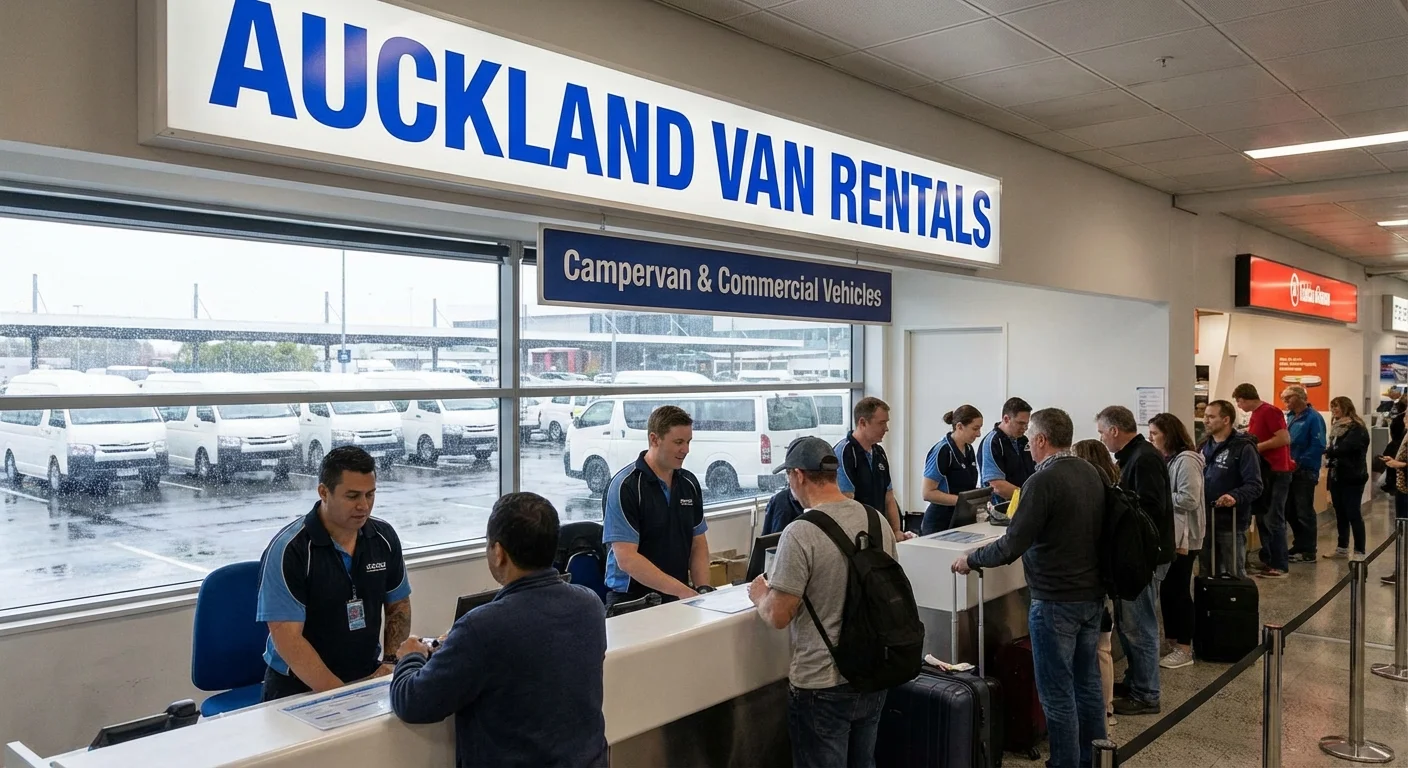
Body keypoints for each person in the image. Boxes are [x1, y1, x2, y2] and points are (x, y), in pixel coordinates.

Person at [389, 493, 608, 767]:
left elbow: (412, 702)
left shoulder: (482, 628)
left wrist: (411, 656)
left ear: (498, 552)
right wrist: (460, 645)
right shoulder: (590, 605)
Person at [953, 409, 1106, 768]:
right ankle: (1095, 758)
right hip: (1091, 595)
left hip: (1055, 600)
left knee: (1056, 691)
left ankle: (1065, 762)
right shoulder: (1092, 472)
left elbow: (1012, 544)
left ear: (1041, 440)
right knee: (1087, 685)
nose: (1026, 448)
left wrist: (972, 559)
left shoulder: (1042, 481)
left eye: (1029, 441)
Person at [748, 437, 898, 768]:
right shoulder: (877, 521)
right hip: (874, 672)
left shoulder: (801, 532)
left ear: (798, 475)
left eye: (788, 476)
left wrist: (761, 595)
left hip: (822, 683)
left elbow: (778, 615)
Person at [255, 446, 412, 701]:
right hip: (299, 685)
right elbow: (288, 640)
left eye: (370, 495)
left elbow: (399, 606)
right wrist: (343, 696)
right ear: (323, 492)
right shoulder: (290, 550)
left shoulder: (384, 538)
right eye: (352, 496)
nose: (364, 506)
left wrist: (393, 664)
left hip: (366, 675)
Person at [1095, 405, 1172, 717]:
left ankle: (1146, 693)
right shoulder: (1134, 457)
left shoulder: (1143, 459)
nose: (1102, 438)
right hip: (1139, 555)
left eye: (1102, 432)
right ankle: (1136, 679)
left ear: (1114, 430)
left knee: (1140, 626)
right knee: (1129, 625)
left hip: (1144, 557)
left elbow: (1148, 509)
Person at [602, 405, 710, 608]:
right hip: (633, 600)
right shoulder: (626, 486)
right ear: (654, 439)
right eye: (678, 442)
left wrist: (703, 588)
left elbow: (698, 544)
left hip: (678, 596)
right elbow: (627, 558)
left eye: (688, 442)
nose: (685, 449)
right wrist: (683, 591)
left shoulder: (689, 484)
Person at [1070, 439, 1120, 729]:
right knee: (1102, 648)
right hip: (1105, 583)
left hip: (1089, 584)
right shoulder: (1111, 490)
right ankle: (1105, 709)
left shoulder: (1089, 494)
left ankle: (1098, 712)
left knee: (1094, 651)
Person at [1148, 413, 1204, 671]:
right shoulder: (1169, 461)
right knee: (1168, 591)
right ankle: (1172, 641)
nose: (1152, 439)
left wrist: (1159, 497)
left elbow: (1189, 498)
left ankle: (1184, 646)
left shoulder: (1187, 461)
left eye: (1155, 434)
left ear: (1168, 434)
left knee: (1179, 591)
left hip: (1186, 537)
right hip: (1173, 535)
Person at [1233, 383, 1293, 579]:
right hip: (1265, 472)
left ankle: (1279, 563)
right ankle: (1268, 559)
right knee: (1263, 517)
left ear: (1245, 398)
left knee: (1273, 518)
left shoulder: (1269, 411)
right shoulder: (1256, 414)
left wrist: (1256, 448)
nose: (1239, 405)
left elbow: (1284, 438)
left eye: (1239, 401)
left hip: (1276, 471)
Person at [1200, 401, 1264, 579]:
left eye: (1211, 417)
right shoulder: (1204, 445)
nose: (1205, 420)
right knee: (1207, 572)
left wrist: (1234, 496)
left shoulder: (1244, 447)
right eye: (1205, 416)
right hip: (1205, 521)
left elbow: (1255, 485)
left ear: (1226, 419)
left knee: (1234, 573)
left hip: (1231, 522)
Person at [834, 397, 912, 541]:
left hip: (878, 532)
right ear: (862, 423)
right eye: (882, 423)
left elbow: (889, 497)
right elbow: (846, 502)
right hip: (857, 536)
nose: (886, 428)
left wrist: (895, 531)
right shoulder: (845, 452)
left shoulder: (879, 452)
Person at [919, 405, 983, 535]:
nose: (979, 434)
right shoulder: (942, 451)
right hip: (940, 522)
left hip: (961, 519)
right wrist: (962, 502)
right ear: (959, 426)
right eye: (975, 428)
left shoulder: (969, 450)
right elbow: (927, 493)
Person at [1282, 385, 1327, 563]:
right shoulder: (1291, 417)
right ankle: (1299, 544)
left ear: (1300, 397)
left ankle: (1309, 550)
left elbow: (1318, 445)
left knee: (1303, 510)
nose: (1285, 402)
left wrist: (1299, 462)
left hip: (1305, 471)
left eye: (1289, 398)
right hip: (1289, 470)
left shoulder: (1313, 418)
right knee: (1290, 510)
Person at [1324, 397, 1370, 559]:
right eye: (1332, 407)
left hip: (1353, 476)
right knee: (1340, 513)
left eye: (1337, 407)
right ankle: (1342, 548)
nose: (1334, 410)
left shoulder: (1357, 427)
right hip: (1337, 475)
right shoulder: (1336, 427)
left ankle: (1359, 550)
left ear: (1346, 407)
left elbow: (1345, 448)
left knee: (1353, 513)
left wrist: (1327, 451)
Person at [978, 397, 1036, 504]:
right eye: (1020, 423)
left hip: (1022, 504)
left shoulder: (1023, 440)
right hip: (1002, 508)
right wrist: (1030, 497)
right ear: (1006, 419)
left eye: (1026, 424)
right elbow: (996, 485)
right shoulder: (992, 442)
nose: (1025, 428)